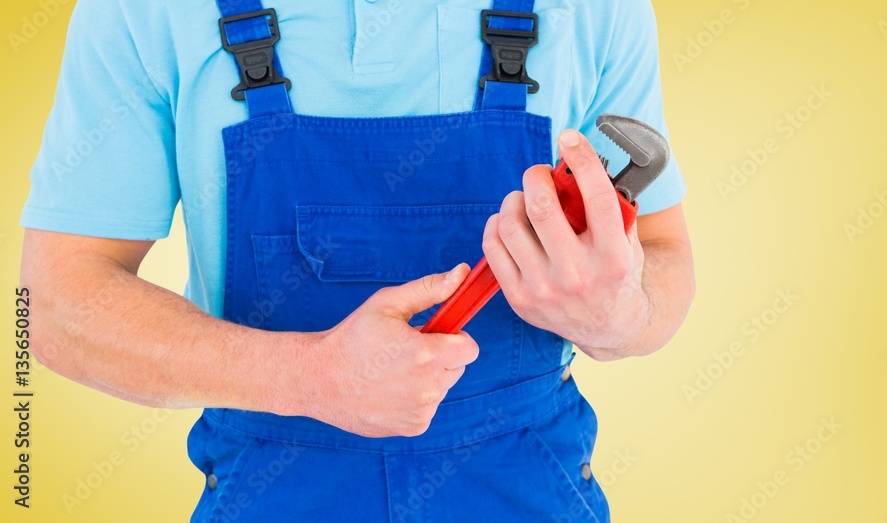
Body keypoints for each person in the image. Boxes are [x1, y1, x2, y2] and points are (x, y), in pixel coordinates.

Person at [20, 0, 695, 521]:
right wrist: (307, 376)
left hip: (526, 486)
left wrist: (621, 311)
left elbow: (665, 259)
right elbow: (53, 306)